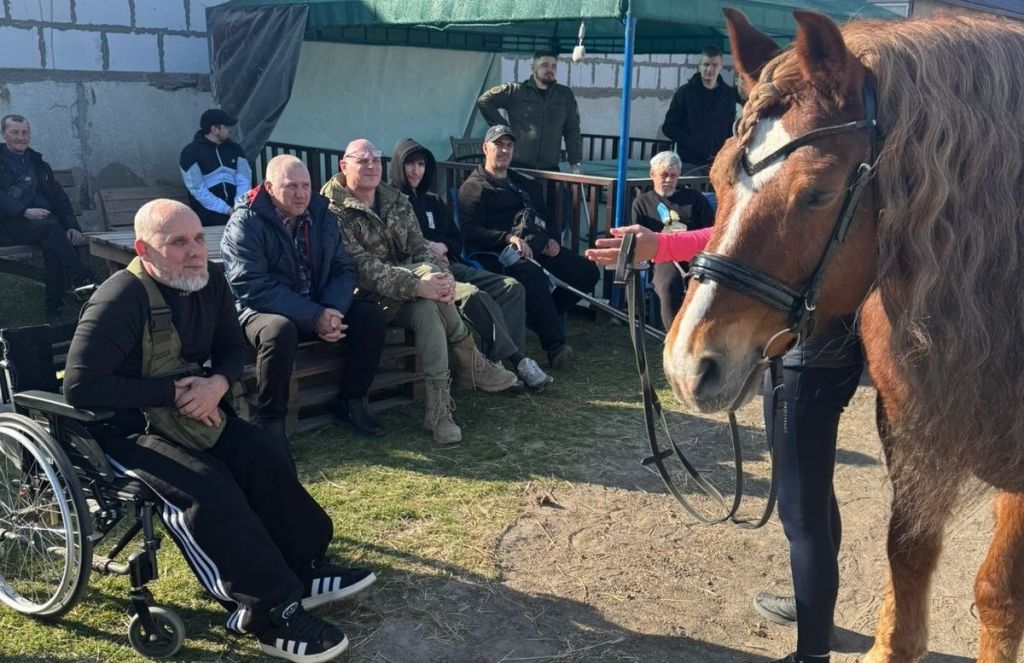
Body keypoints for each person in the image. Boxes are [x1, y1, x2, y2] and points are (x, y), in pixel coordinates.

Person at [63, 199, 375, 663]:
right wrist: (171, 393)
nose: (194, 252)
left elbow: (232, 346)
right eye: (177, 243)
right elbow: (80, 387)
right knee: (209, 488)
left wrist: (217, 383)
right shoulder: (119, 299)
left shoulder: (208, 281)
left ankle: (305, 567)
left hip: (191, 409)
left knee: (263, 451)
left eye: (196, 239)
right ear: (145, 248)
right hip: (122, 432)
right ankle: (268, 613)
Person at [587, 225, 862, 663]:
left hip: (809, 357)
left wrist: (664, 246)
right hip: (826, 350)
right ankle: (817, 616)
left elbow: (749, 237)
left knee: (801, 510)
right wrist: (663, 246)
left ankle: (812, 653)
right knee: (814, 493)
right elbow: (743, 230)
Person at [322, 139, 521, 446]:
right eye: (363, 161)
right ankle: (471, 360)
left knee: (429, 307)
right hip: (366, 299)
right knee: (429, 289)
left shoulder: (396, 201)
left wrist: (438, 277)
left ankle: (438, 413)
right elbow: (361, 268)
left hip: (414, 294)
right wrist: (420, 283)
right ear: (344, 166)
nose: (372, 166)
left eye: (376, 159)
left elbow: (421, 248)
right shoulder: (333, 210)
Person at [221, 155, 388, 439]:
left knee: (369, 315)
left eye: (306, 186)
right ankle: (271, 421)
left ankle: (351, 400)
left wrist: (333, 309)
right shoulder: (245, 222)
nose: (301, 194)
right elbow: (250, 285)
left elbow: (343, 268)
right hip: (263, 309)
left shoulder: (322, 214)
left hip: (318, 303)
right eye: (291, 186)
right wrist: (314, 316)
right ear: (270, 187)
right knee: (278, 331)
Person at [389, 137, 553, 391]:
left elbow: (456, 236)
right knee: (476, 296)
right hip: (423, 274)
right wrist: (426, 246)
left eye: (421, 164)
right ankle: (515, 363)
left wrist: (444, 246)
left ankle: (502, 363)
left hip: (452, 264)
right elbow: (395, 247)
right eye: (409, 164)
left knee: (512, 287)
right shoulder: (390, 203)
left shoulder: (432, 200)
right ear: (398, 165)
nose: (416, 170)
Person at [457, 125, 599, 368]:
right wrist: (507, 238)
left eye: (508, 145)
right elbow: (470, 232)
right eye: (498, 144)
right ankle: (555, 346)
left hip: (538, 247)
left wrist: (552, 239)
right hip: (498, 253)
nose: (503, 150)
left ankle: (540, 317)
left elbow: (545, 215)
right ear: (485, 148)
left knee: (588, 272)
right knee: (530, 274)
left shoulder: (521, 183)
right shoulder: (474, 187)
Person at [0, 113, 93, 323]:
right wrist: (23, 210)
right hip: (7, 226)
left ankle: (54, 310)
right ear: (4, 134)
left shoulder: (37, 162)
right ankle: (82, 278)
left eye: (25, 132)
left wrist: (72, 226)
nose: (21, 137)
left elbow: (59, 198)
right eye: (15, 132)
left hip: (41, 227)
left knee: (53, 241)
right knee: (51, 230)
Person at [630, 151, 715, 329]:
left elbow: (712, 230)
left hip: (696, 255)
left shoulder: (695, 199)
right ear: (652, 175)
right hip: (662, 257)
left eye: (673, 175)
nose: (668, 180)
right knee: (669, 283)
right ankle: (673, 335)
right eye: (664, 175)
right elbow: (637, 238)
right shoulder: (642, 203)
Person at [477, 51, 583, 173]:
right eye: (545, 65)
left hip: (550, 168)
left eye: (554, 66)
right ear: (533, 68)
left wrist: (575, 163)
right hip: (519, 165)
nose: (550, 69)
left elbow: (572, 130)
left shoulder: (564, 95)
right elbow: (484, 101)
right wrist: (504, 129)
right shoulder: (517, 91)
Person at [661, 46, 740, 174]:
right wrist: (692, 141)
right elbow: (669, 127)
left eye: (714, 65)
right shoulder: (685, 93)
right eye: (706, 64)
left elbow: (729, 128)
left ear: (721, 66)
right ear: (699, 65)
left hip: (718, 163)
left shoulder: (728, 95)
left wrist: (727, 151)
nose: (709, 69)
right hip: (690, 162)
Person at [179, 108, 252, 226]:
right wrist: (227, 210)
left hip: (238, 209)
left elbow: (244, 179)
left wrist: (238, 206)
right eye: (226, 127)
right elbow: (197, 189)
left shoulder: (236, 149)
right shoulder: (190, 153)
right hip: (208, 212)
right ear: (215, 129)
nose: (230, 130)